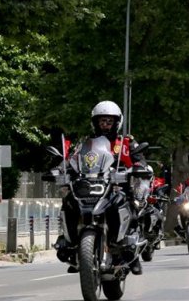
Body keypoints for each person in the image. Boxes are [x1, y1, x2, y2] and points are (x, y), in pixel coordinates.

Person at [57, 100, 144, 274]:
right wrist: (60, 168)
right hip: (92, 185)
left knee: (133, 207)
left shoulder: (126, 142)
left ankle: (130, 252)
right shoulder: (86, 143)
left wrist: (139, 167)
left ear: (117, 122)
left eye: (109, 121)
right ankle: (72, 245)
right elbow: (73, 159)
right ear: (95, 122)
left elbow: (139, 159)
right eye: (102, 121)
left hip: (118, 186)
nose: (105, 125)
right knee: (68, 203)